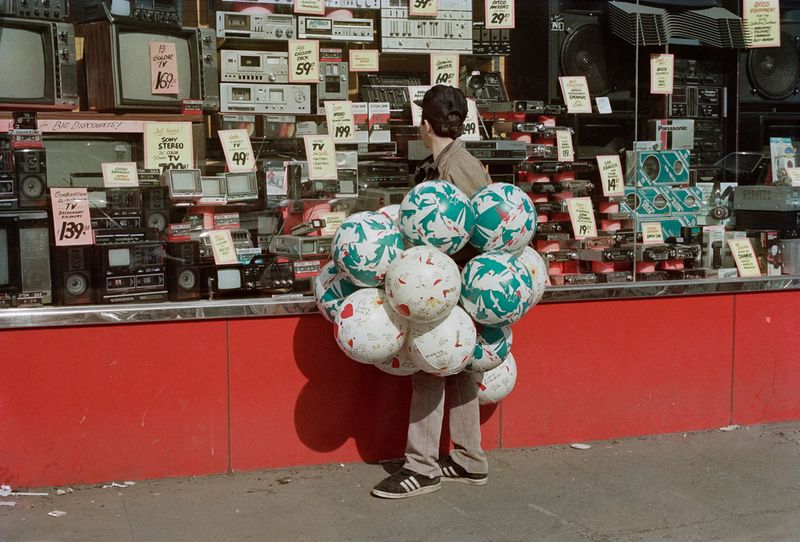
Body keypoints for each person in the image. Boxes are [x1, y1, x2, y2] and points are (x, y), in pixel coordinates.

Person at [372, 85, 493, 499]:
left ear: (425, 125)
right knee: (460, 372)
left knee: (428, 367)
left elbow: (480, 230)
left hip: (449, 287)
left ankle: (422, 467)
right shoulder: (459, 161)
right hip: (462, 285)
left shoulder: (455, 168)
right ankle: (468, 459)